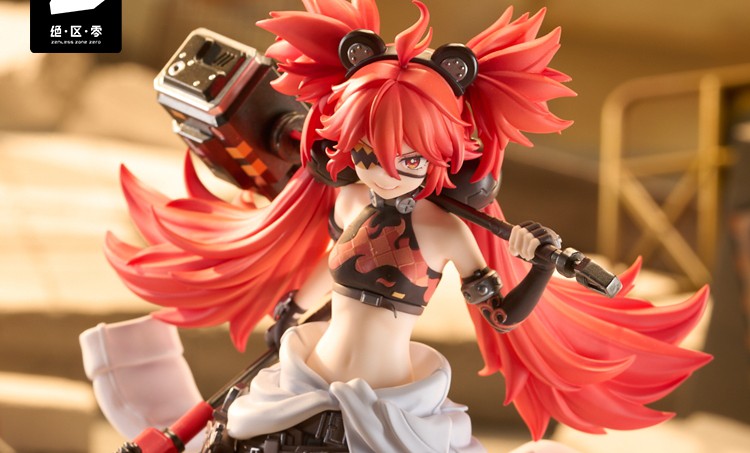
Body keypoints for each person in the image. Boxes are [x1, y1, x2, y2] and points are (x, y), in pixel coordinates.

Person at [103, 1, 711, 451]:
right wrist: (292, 307)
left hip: (390, 407)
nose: (385, 172)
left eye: (410, 160)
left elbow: (501, 316)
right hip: (306, 375)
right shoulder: (349, 201)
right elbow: (332, 269)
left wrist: (541, 267)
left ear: (444, 156)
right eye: (368, 154)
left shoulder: (445, 231)